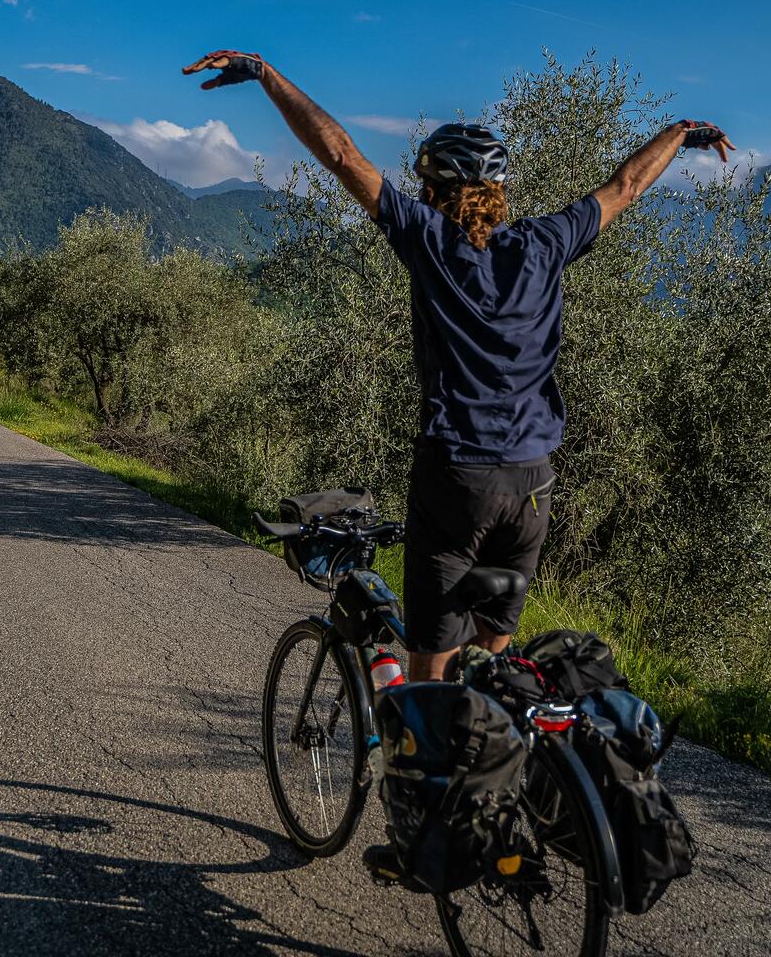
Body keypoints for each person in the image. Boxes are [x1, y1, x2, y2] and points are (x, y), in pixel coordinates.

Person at [183, 50, 734, 684]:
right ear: (497, 193)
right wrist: (682, 133)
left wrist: (265, 75)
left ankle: (425, 766)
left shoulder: (429, 237)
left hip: (458, 478)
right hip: (533, 482)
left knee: (430, 688)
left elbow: (340, 155)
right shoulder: (547, 243)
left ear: (432, 191)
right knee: (492, 681)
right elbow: (627, 185)